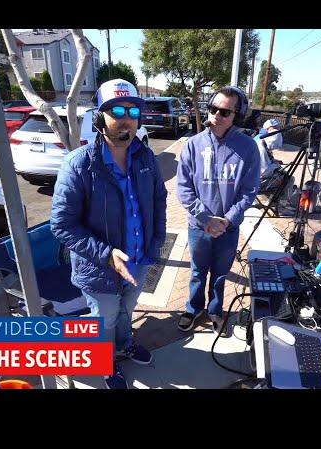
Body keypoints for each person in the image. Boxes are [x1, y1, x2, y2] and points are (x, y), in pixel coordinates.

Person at [51, 79, 168, 389]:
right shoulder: (78, 165)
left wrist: (156, 244)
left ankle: (124, 345)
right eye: (116, 109)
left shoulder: (146, 158)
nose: (125, 117)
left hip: (139, 260)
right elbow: (62, 224)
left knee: (126, 311)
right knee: (103, 320)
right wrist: (106, 254)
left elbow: (159, 201)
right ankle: (104, 363)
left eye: (132, 110)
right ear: (99, 118)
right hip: (99, 269)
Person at [176, 86, 261, 335]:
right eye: (213, 109)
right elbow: (184, 188)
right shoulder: (192, 145)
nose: (217, 115)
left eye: (225, 112)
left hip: (228, 228)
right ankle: (193, 309)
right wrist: (205, 219)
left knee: (221, 275)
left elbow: (249, 190)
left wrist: (227, 220)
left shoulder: (248, 148)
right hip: (198, 227)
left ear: (237, 115)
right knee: (197, 272)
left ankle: (215, 311)